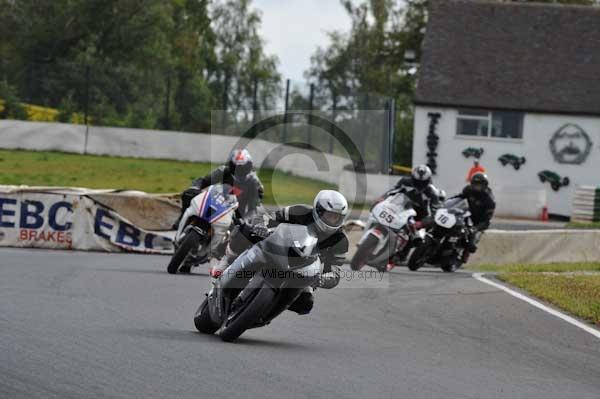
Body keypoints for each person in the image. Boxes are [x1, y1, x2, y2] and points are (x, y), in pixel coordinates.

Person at [213, 190, 350, 315]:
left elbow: (335, 272)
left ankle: (267, 312)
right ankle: (226, 262)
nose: (333, 220)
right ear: (319, 211)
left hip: (304, 271)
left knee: (305, 304)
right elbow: (271, 217)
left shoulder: (340, 240)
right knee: (245, 230)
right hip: (278, 247)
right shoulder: (300, 211)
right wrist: (262, 226)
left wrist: (322, 280)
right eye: (330, 215)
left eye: (337, 217)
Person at [175, 149, 264, 228]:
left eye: (242, 167)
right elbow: (203, 181)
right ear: (231, 165)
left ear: (249, 166)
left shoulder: (254, 183)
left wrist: (245, 220)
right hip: (216, 201)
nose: (239, 170)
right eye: (235, 167)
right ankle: (182, 220)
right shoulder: (223, 171)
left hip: (236, 213)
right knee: (189, 194)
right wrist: (195, 187)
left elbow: (254, 208)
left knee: (244, 231)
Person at [456, 172, 496, 255]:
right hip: (467, 215)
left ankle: (465, 255)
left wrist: (476, 228)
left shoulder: (489, 200)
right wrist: (448, 203)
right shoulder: (468, 190)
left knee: (471, 243)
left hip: (480, 220)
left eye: (479, 184)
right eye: (475, 184)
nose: (476, 186)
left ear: (484, 185)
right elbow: (459, 198)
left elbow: (487, 219)